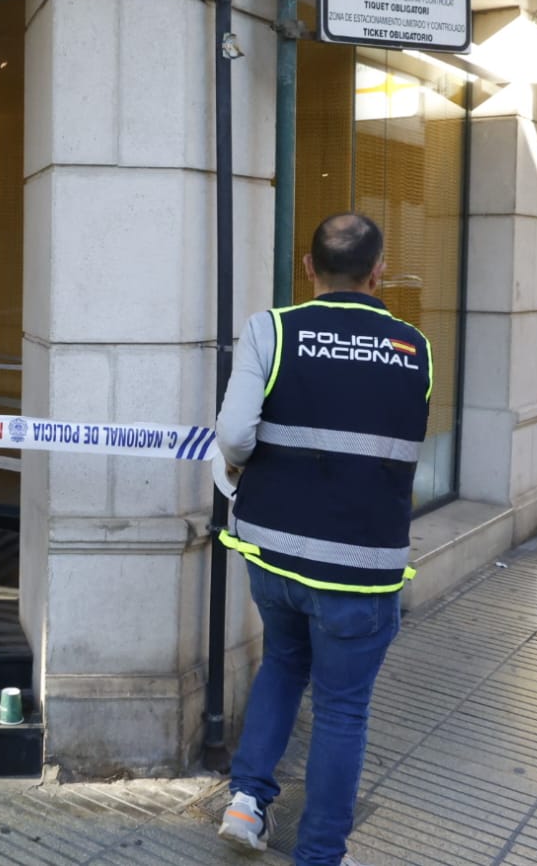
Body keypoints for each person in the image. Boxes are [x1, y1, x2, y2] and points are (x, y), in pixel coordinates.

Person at [213, 213, 431, 866]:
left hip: (273, 554)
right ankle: (319, 853)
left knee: (282, 663)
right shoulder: (412, 347)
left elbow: (233, 437)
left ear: (307, 270)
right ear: (378, 270)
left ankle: (246, 803)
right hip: (361, 569)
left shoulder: (270, 329)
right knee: (340, 712)